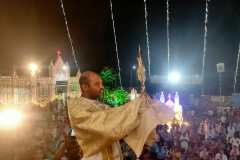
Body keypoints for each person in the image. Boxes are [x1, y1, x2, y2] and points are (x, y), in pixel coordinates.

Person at [68, 71, 175, 160]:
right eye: (97, 84)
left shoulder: (103, 107)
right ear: (85, 87)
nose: (102, 87)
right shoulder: (76, 107)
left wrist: (141, 112)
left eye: (101, 83)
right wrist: (134, 105)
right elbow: (104, 125)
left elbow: (120, 126)